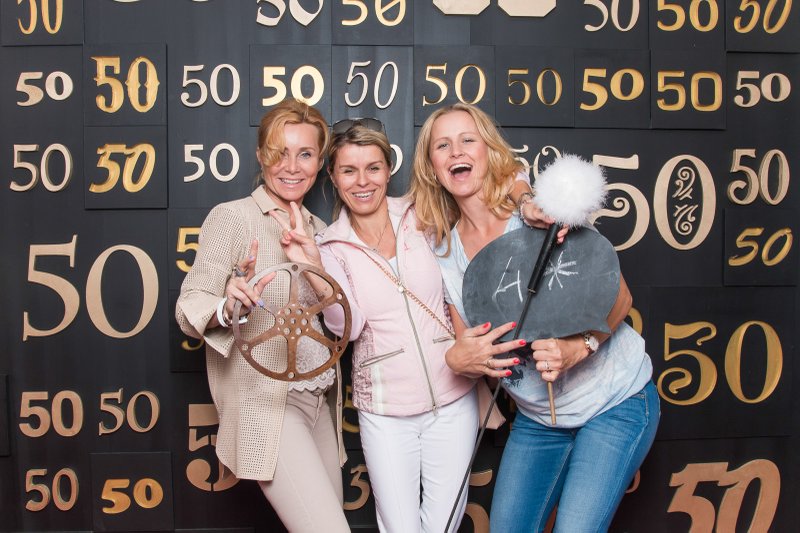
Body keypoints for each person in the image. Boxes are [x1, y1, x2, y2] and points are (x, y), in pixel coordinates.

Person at [271, 118, 536, 533]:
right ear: (333, 177)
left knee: (443, 526)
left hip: (453, 401)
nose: (363, 181)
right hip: (385, 413)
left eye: (373, 168)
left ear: (388, 169)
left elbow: (506, 171)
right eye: (349, 170)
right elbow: (348, 328)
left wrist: (527, 199)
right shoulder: (329, 245)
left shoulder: (421, 211)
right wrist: (315, 269)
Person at [409, 103, 660, 533]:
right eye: (442, 145)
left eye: (468, 140)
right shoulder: (444, 253)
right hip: (540, 419)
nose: (456, 152)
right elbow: (471, 346)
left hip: (614, 402)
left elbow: (621, 297)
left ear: (489, 151)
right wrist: (460, 359)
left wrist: (578, 347)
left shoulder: (541, 215)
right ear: (432, 167)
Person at [175, 99, 350, 533]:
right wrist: (228, 306)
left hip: (319, 401)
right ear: (260, 155)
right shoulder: (233, 218)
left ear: (320, 163)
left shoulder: (319, 230)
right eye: (279, 153)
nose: (291, 167)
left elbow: (338, 321)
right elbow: (188, 306)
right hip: (269, 407)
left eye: (305, 154)